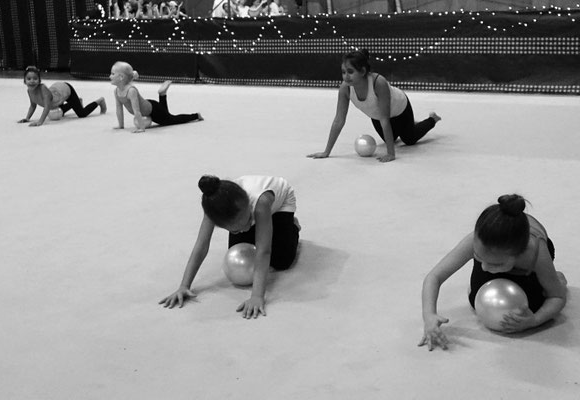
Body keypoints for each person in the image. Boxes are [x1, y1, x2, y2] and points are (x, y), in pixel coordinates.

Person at [419, 194, 567, 351]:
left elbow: (557, 297)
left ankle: (555, 278)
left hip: (528, 264)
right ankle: (491, 262)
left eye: (494, 264)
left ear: (517, 255)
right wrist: (429, 316)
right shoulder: (476, 241)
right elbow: (434, 277)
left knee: (534, 304)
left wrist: (534, 321)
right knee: (475, 297)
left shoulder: (535, 253)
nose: (484, 267)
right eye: (478, 257)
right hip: (500, 251)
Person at [159, 175, 301, 319]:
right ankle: (255, 225)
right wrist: (184, 286)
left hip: (279, 205)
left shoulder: (261, 204)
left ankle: (292, 226)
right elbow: (201, 245)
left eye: (248, 220)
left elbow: (264, 251)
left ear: (249, 206)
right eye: (235, 230)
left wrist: (257, 296)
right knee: (238, 252)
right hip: (250, 211)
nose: (243, 230)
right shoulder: (214, 210)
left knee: (282, 260)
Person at [307, 49, 441, 162]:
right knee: (391, 138)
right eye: (343, 72)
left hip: (399, 109)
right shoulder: (345, 88)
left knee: (409, 139)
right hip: (378, 115)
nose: (346, 77)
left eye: (350, 72)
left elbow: (385, 119)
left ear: (363, 71)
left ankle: (432, 119)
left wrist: (391, 154)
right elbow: (339, 120)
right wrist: (326, 152)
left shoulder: (378, 83)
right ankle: (409, 124)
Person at [110, 61, 202, 133]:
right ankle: (162, 94)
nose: (110, 76)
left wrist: (141, 128)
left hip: (154, 111)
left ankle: (196, 115)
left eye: (113, 74)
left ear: (121, 77)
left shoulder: (131, 91)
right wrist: (121, 125)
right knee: (166, 114)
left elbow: (137, 111)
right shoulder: (116, 91)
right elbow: (119, 109)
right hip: (148, 105)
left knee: (171, 120)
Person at [18, 66, 106, 127]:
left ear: (39, 81)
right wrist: (27, 118)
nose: (32, 81)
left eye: (35, 78)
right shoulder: (29, 91)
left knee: (82, 114)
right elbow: (33, 105)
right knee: (60, 111)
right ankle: (77, 101)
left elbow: (47, 107)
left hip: (66, 90)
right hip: (57, 94)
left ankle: (100, 101)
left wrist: (40, 122)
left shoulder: (43, 88)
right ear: (24, 81)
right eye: (29, 79)